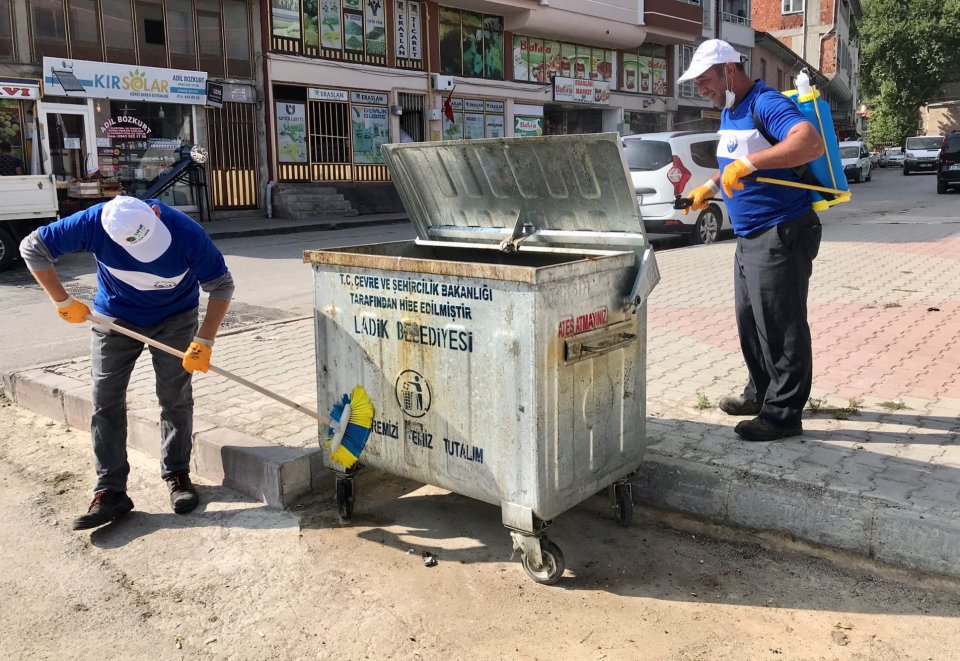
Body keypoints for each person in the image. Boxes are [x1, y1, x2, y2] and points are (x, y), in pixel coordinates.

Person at [19, 196, 234, 529]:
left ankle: (177, 473)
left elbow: (221, 284)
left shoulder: (184, 231)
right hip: (114, 319)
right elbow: (32, 248)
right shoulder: (91, 223)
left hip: (175, 318)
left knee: (174, 396)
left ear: (155, 213)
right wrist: (61, 301)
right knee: (105, 399)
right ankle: (111, 491)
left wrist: (204, 341)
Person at [679, 40, 825, 442]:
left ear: (728, 70)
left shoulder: (765, 102)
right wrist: (707, 188)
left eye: (705, 80)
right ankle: (761, 393)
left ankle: (783, 415)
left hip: (781, 229)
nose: (700, 89)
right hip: (749, 235)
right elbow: (732, 165)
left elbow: (809, 142)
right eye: (696, 83)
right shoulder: (730, 109)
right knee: (752, 322)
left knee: (781, 324)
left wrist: (751, 162)